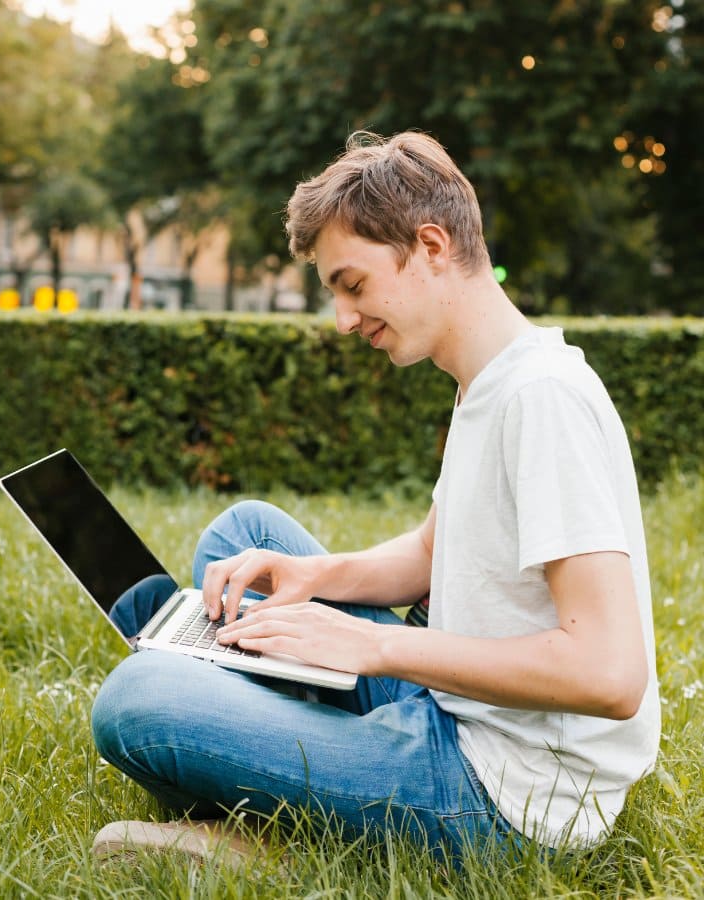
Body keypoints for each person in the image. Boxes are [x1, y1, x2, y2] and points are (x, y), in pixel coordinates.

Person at [91, 131, 660, 866]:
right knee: (244, 536)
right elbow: (433, 552)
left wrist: (374, 644)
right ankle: (253, 721)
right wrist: (315, 580)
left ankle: (272, 825)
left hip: (500, 793)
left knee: (136, 701)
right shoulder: (489, 382)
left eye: (353, 286)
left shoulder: (540, 400)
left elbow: (609, 673)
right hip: (450, 705)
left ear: (429, 247)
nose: (345, 320)